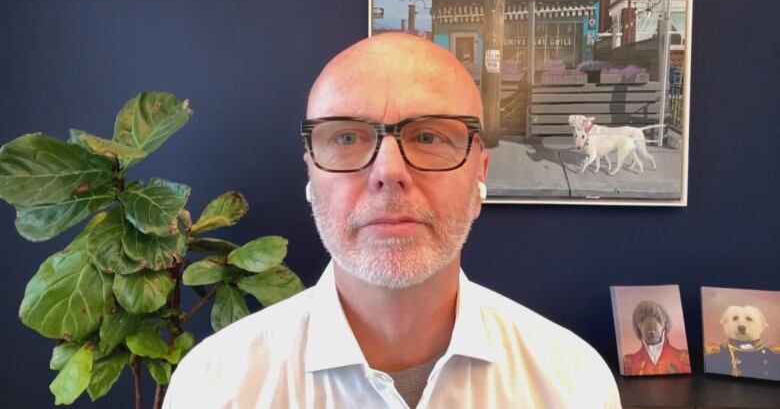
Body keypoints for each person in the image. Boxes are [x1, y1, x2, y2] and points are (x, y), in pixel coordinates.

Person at [163, 33, 621, 408]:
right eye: (346, 136)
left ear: (480, 173)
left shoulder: (572, 385)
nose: (389, 172)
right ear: (311, 172)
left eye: (427, 135)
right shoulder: (215, 387)